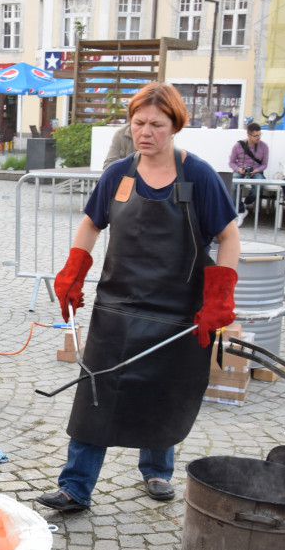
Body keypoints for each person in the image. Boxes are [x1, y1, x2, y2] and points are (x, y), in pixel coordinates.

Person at [36, 82, 240, 512]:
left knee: (165, 393)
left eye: (157, 125)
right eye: (139, 123)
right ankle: (75, 486)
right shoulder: (119, 174)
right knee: (96, 397)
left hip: (177, 310)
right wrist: (73, 271)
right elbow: (92, 222)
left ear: (175, 125)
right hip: (117, 307)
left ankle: (158, 470)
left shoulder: (197, 174)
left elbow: (228, 235)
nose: (146, 132)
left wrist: (220, 294)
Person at [228, 121, 268, 212]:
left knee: (259, 185)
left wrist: (257, 170)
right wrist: (238, 169)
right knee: (232, 185)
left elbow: (265, 164)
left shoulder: (264, 146)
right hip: (241, 170)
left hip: (256, 171)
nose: (259, 137)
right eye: (256, 136)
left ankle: (246, 203)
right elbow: (231, 162)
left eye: (259, 135)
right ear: (249, 135)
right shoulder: (238, 145)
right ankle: (240, 209)